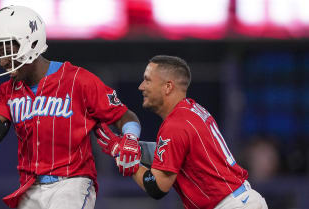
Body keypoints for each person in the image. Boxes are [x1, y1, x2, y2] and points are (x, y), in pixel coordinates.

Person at [0, 5, 141, 209]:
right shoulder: (5, 92)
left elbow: (124, 115)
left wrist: (130, 138)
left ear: (29, 43)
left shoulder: (78, 80)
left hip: (72, 183)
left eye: (6, 48)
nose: (2, 59)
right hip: (29, 188)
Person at [94, 55, 269, 209]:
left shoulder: (175, 124)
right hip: (239, 200)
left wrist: (127, 160)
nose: (141, 86)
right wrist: (129, 146)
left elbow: (157, 187)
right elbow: (174, 153)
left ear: (168, 87)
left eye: (147, 80)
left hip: (230, 204)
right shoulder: (191, 109)